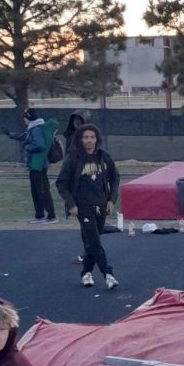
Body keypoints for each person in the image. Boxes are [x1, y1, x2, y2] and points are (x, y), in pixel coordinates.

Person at [56, 122, 120, 290]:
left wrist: (112, 200)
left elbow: (115, 177)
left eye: (92, 137)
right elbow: (61, 183)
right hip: (82, 206)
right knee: (94, 240)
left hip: (101, 205)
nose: (89, 141)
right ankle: (108, 274)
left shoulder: (103, 156)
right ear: (80, 139)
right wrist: (71, 204)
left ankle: (86, 272)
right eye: (85, 137)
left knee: (92, 241)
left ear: (97, 139)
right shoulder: (73, 159)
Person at [7, 107, 58, 223]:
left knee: (42, 190)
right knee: (36, 190)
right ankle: (39, 214)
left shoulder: (36, 129)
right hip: (35, 165)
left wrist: (27, 147)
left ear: (29, 117)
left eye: (25, 117)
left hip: (38, 164)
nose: (24, 120)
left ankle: (51, 215)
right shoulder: (33, 128)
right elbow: (25, 136)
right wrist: (11, 135)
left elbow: (39, 145)